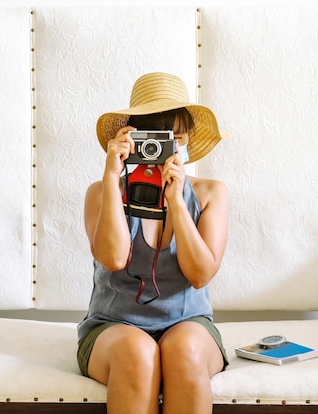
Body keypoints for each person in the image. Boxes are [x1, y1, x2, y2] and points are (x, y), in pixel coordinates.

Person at [77, 72, 229, 414]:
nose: (161, 149)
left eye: (174, 137)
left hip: (189, 324)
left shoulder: (209, 194)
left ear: (187, 141)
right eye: (153, 137)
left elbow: (200, 274)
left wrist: (176, 200)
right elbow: (114, 258)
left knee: (184, 351)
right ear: (132, 138)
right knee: (137, 351)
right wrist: (112, 176)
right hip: (114, 327)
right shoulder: (101, 192)